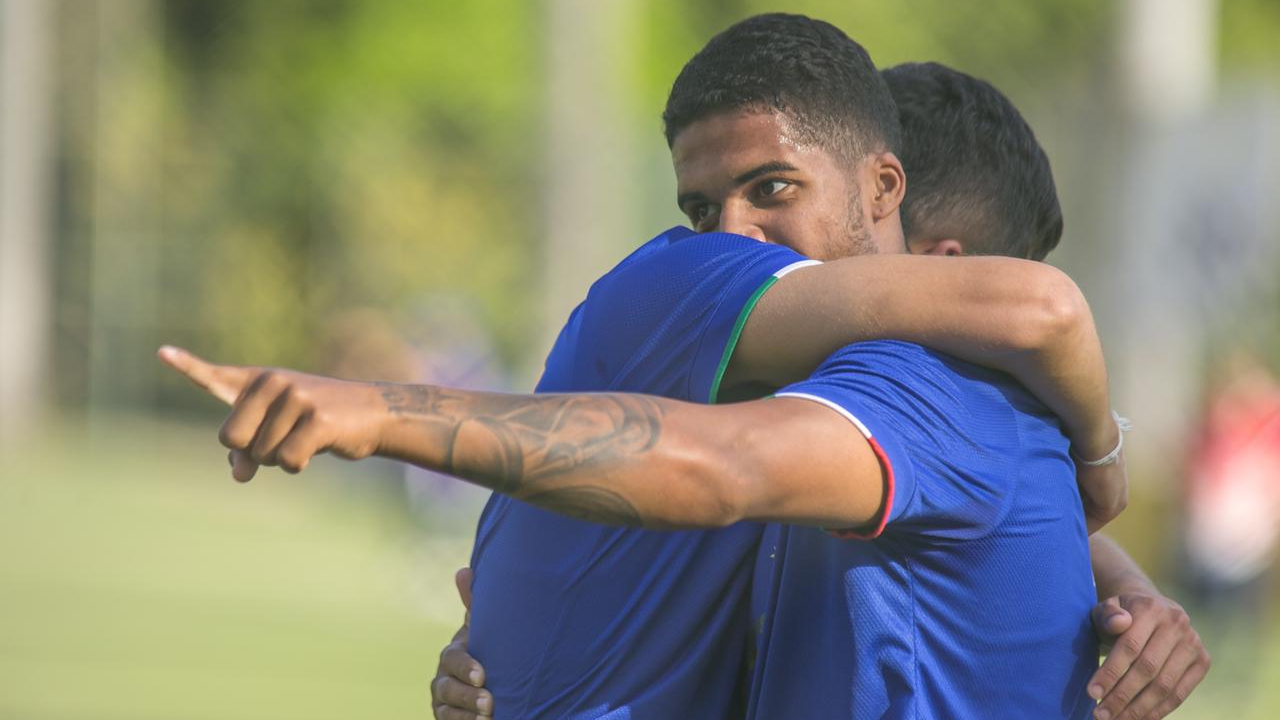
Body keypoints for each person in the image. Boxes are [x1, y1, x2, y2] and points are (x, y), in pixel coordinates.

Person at [161, 14, 1205, 720]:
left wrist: (378, 410)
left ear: (897, 213)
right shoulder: (827, 411)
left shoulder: (931, 386)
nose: (729, 241)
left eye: (773, 191)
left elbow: (717, 471)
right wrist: (530, 651)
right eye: (704, 211)